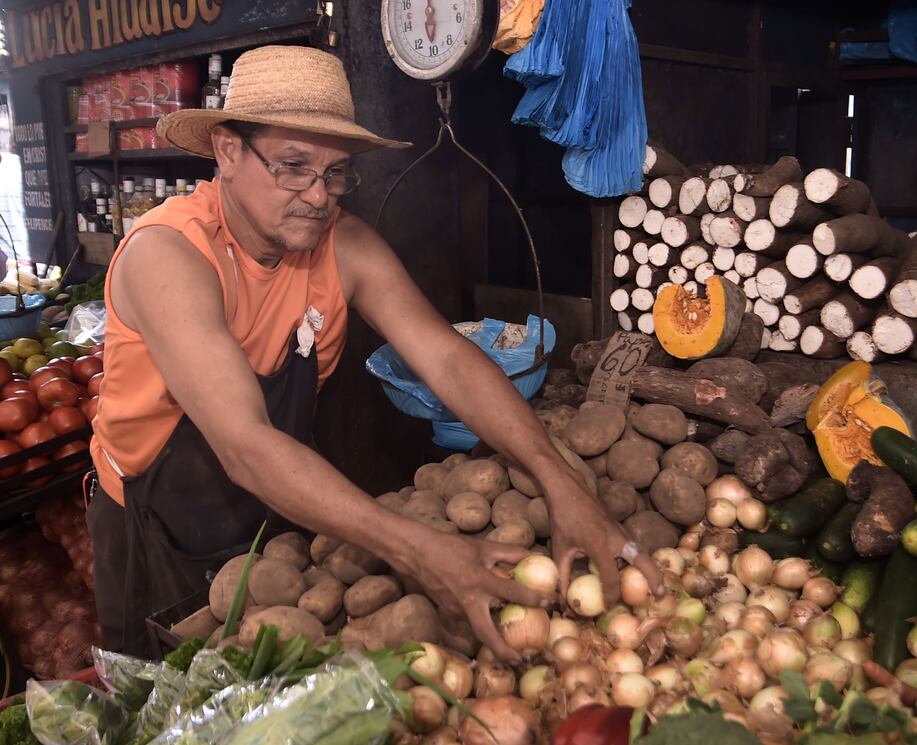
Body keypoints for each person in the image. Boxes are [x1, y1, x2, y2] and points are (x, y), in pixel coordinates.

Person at [86, 46, 662, 661]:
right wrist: (415, 547)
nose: (318, 196)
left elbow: (445, 358)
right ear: (228, 150)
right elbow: (246, 444)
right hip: (158, 534)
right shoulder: (168, 257)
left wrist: (557, 478)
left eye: (336, 173)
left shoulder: (343, 247)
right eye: (293, 167)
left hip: (278, 516)